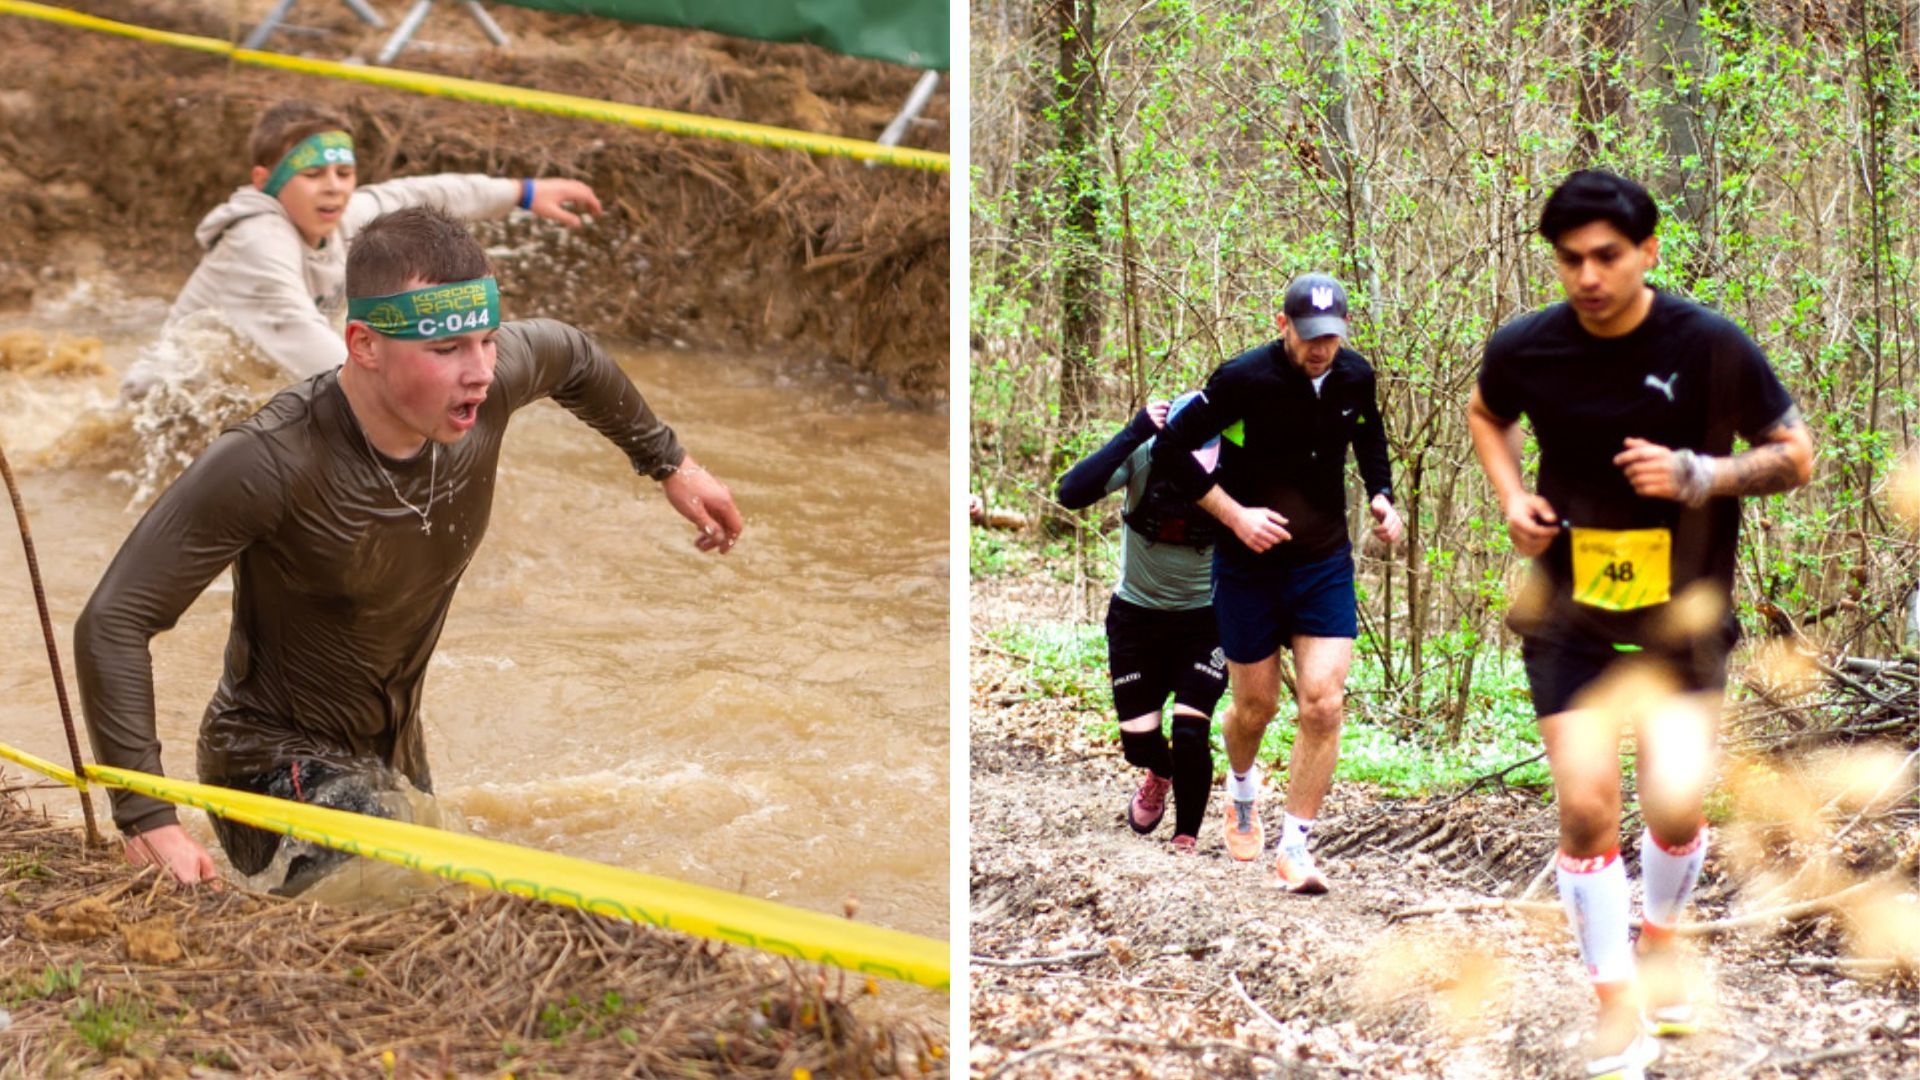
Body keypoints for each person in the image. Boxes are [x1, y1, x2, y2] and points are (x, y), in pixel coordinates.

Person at [76, 206, 744, 893]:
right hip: (273, 768)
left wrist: (671, 464)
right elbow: (115, 621)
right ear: (364, 345)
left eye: (486, 341)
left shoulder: (486, 393)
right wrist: (147, 816)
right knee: (420, 905)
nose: (480, 372)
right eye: (446, 350)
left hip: (391, 759)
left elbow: (573, 355)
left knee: (452, 890)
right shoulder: (269, 462)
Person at [1466, 169, 1813, 1080]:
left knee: (1674, 804)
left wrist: (1701, 474)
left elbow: (1794, 457)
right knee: (1585, 809)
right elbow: (1487, 413)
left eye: (1607, 257)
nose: (1587, 275)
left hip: (1682, 613)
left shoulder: (1710, 346)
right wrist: (1513, 499)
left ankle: (1660, 939)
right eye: (1569, 259)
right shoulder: (1527, 347)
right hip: (1568, 609)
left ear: (1648, 252)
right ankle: (1614, 1001)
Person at [1150, 272, 1403, 890]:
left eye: (1333, 337)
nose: (1322, 349)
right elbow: (1170, 453)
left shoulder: (1355, 376)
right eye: (1311, 336)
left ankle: (1295, 848)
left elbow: (1370, 438)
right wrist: (1235, 516)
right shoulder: (1243, 379)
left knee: (1323, 702)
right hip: (1247, 567)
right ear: (1282, 323)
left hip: (1321, 563)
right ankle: (1241, 791)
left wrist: (1382, 497)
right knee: (1254, 706)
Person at [121, 99, 603, 396]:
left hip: (239, 390)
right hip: (162, 406)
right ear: (266, 183)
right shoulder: (256, 241)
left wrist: (522, 192)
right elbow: (302, 334)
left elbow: (430, 192)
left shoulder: (345, 217)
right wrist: (399, 392)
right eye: (312, 176)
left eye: (344, 174)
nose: (333, 188)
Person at [1057, 392, 1226, 855]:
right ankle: (1160, 772)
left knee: (1191, 730)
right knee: (1138, 743)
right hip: (1136, 618)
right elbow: (1070, 493)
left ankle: (1185, 837)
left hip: (1203, 621)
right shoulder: (1145, 453)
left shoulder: (1236, 466)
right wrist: (1134, 431)